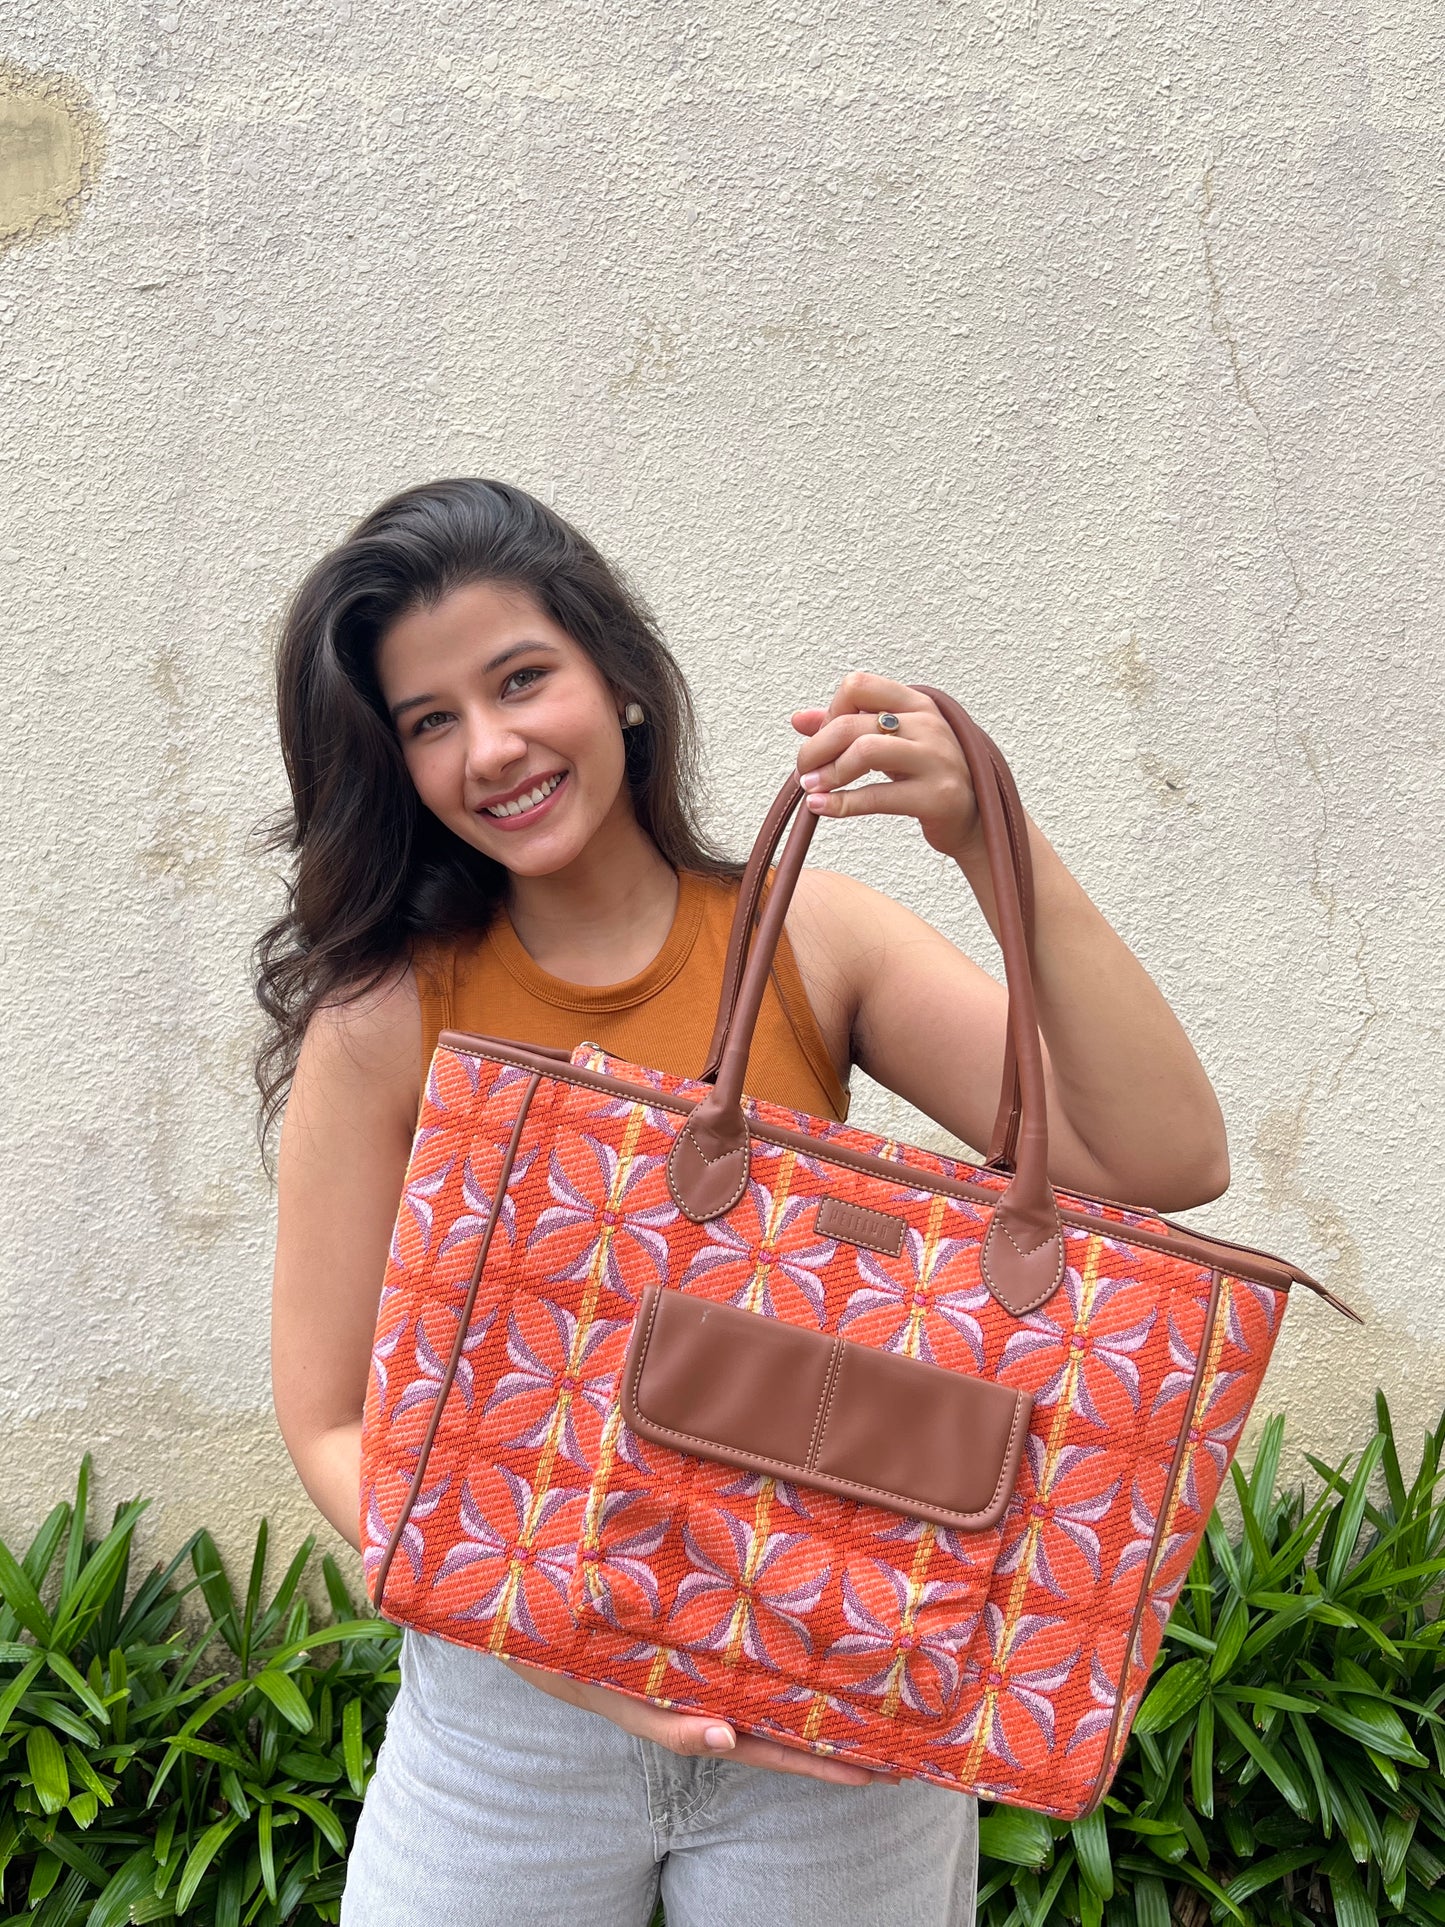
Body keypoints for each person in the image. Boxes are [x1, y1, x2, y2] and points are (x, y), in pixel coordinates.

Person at [260, 477, 1230, 1927]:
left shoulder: (809, 941)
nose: (496, 745)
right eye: (432, 721)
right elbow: (332, 1418)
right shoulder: (389, 1018)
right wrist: (537, 1640)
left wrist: (989, 837)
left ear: (622, 683)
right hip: (513, 1714)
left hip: (837, 1682)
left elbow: (1164, 1156)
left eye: (524, 679)